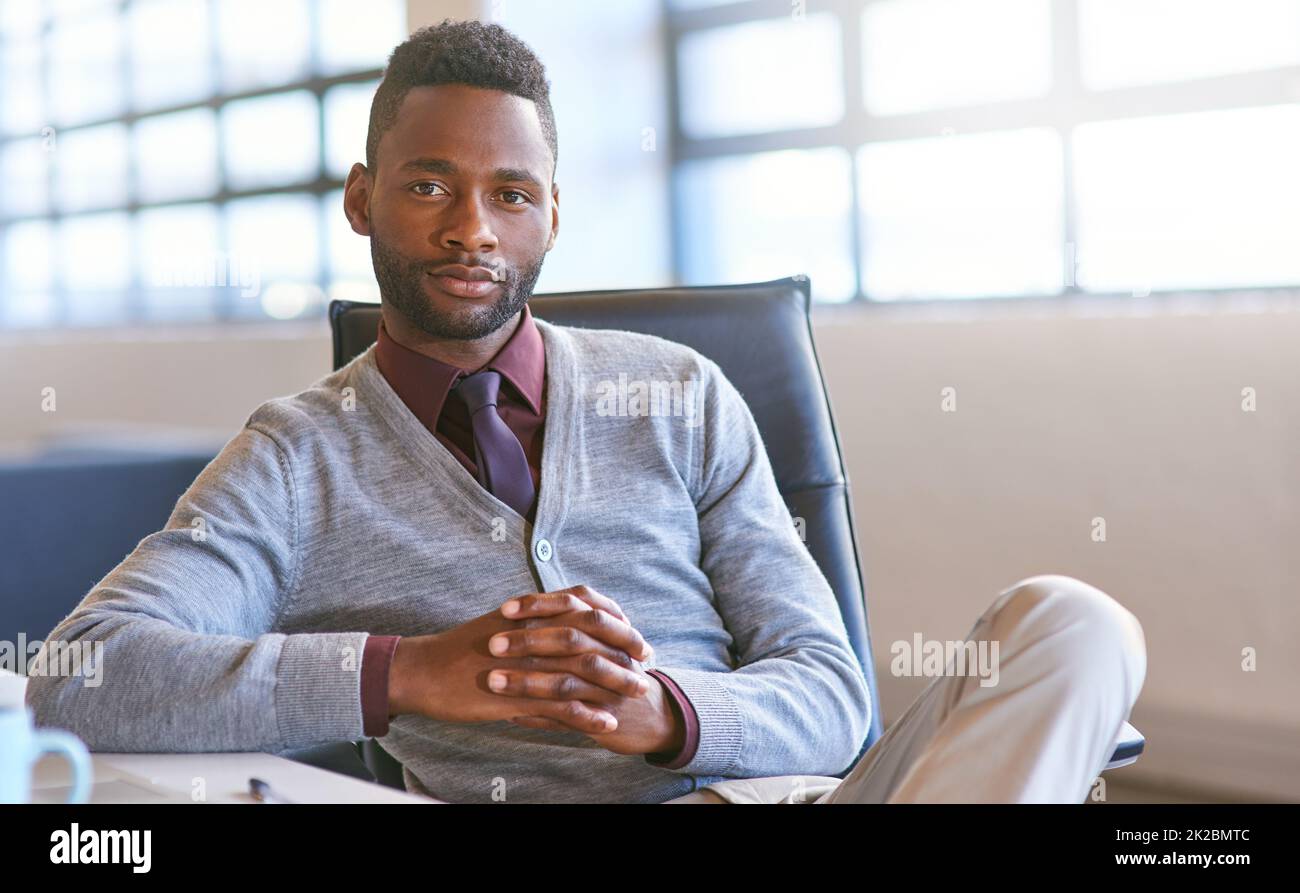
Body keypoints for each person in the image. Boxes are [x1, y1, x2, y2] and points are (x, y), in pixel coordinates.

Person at [26, 19, 1145, 804]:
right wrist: (405, 672)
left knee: (1074, 620)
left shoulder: (682, 393)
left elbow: (831, 694)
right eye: (428, 185)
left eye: (510, 194)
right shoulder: (298, 453)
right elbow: (80, 673)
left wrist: (668, 713)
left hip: (795, 798)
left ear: (551, 212)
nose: (473, 229)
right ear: (363, 198)